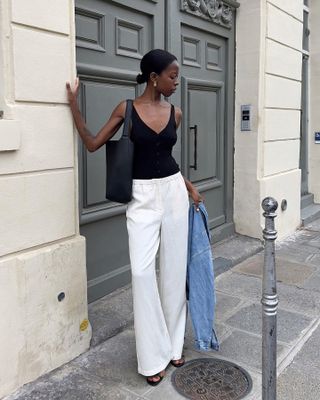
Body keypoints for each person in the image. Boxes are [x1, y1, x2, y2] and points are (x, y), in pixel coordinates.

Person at [66, 49, 203, 386]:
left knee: (173, 271)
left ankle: (172, 346)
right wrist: (74, 107)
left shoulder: (176, 113)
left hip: (172, 193)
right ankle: (151, 355)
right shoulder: (125, 109)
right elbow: (92, 143)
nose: (176, 82)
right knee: (143, 273)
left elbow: (166, 158)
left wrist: (187, 186)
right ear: (154, 77)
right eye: (172, 76)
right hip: (140, 197)